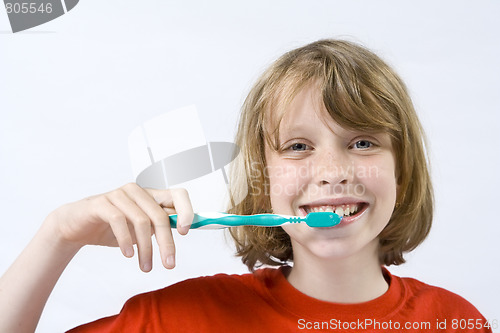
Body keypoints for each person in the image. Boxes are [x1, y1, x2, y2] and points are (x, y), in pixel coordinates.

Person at [0, 39, 492, 332]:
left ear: (402, 170)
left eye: (362, 143)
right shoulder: (186, 318)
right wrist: (58, 235)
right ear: (264, 176)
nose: (333, 170)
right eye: (298, 147)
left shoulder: (455, 321)